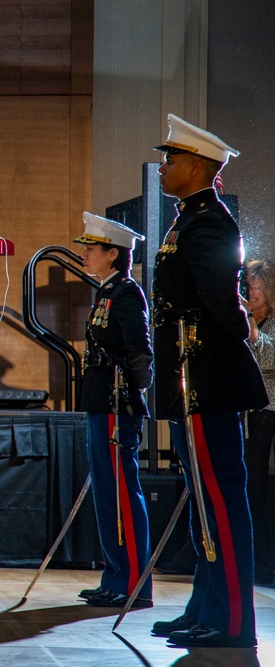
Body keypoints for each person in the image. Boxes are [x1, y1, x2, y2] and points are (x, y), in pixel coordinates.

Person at [149, 114, 268, 648]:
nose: (164, 167)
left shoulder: (211, 222)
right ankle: (206, 604)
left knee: (220, 498)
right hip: (188, 376)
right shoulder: (187, 219)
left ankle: (234, 622)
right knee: (204, 500)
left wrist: (240, 322)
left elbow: (221, 300)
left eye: (172, 160)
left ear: (197, 167)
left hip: (208, 376)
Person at [72, 212, 154, 609]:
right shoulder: (105, 292)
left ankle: (133, 581)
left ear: (113, 254)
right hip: (99, 401)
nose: (85, 254)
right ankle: (115, 575)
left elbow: (140, 350)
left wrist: (133, 397)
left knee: (122, 492)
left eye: (92, 248)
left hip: (116, 405)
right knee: (107, 493)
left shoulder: (126, 293)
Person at [243, 259, 275, 585]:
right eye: (249, 286)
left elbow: (268, 359)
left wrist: (251, 327)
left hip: (270, 411)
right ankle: (253, 560)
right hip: (250, 411)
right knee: (251, 486)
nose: (252, 293)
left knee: (262, 487)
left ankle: (265, 563)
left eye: (257, 286)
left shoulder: (270, 322)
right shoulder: (246, 320)